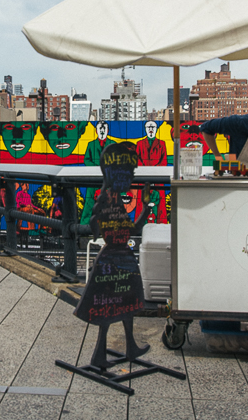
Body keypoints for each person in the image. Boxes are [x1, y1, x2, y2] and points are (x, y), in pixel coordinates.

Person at [74, 142, 152, 369]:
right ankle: (103, 354)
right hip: (116, 259)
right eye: (131, 171)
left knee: (123, 304)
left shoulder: (109, 199)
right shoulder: (112, 201)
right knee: (113, 306)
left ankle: (129, 347)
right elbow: (131, 231)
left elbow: (99, 225)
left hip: (116, 257)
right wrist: (146, 210)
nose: (133, 175)